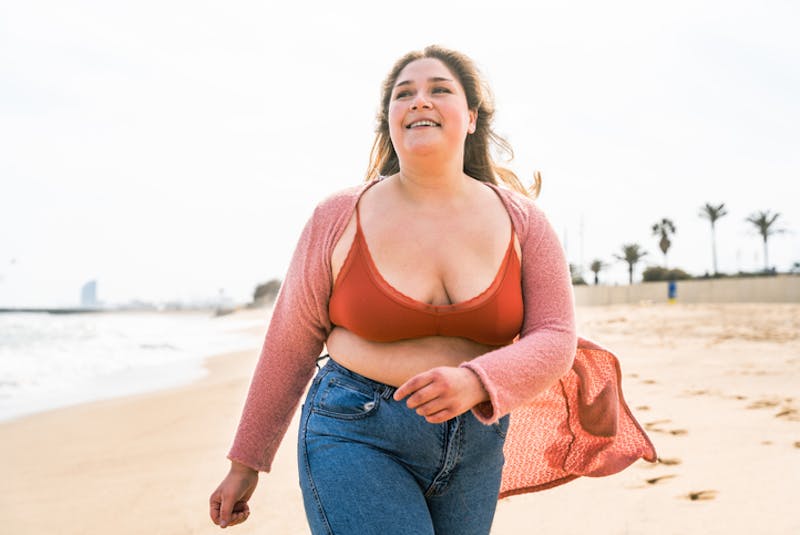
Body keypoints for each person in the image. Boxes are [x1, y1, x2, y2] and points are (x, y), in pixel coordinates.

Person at [209, 45, 655, 534]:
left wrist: (476, 382)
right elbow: (290, 340)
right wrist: (246, 462)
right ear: (390, 121)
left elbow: (554, 336)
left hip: (477, 445)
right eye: (404, 94)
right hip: (354, 430)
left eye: (439, 90)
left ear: (470, 117)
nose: (420, 100)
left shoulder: (524, 223)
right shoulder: (337, 217)